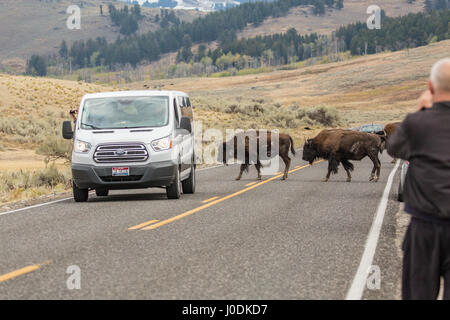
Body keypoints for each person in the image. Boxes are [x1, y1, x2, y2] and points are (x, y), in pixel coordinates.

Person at [387, 58, 450, 300]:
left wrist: (421, 110)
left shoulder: (417, 124)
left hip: (425, 228)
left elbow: (394, 148)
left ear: (430, 87)